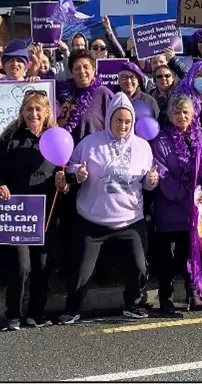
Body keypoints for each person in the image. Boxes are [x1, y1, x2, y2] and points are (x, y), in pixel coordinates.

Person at [60, 93, 158, 324]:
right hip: (92, 220)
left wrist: (152, 180)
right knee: (80, 272)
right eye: (118, 120)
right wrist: (77, 173)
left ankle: (132, 303)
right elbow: (71, 167)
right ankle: (72, 307)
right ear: (108, 119)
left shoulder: (143, 147)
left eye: (127, 121)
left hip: (129, 219)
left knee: (138, 266)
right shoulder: (90, 143)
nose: (122, 125)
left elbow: (146, 181)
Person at [0, 90, 68, 330]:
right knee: (21, 266)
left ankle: (36, 313)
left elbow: (64, 174)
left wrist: (64, 184)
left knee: (42, 265)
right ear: (22, 112)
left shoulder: (57, 137)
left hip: (45, 212)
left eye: (38, 110)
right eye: (28, 109)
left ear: (46, 113)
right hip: (18, 214)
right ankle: (13, 314)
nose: (33, 114)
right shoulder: (10, 138)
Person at [152, 93, 202, 314]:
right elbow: (162, 175)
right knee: (168, 257)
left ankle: (194, 294)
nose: (181, 116)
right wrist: (185, 196)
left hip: (197, 211)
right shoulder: (161, 141)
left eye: (186, 112)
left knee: (195, 254)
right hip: (171, 211)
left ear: (193, 115)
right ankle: (166, 299)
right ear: (169, 115)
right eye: (176, 112)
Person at [57, 50, 115, 144]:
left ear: (94, 70)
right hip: (68, 152)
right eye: (77, 68)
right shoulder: (64, 93)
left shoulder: (104, 94)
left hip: (94, 153)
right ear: (72, 72)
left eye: (86, 67)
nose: (82, 71)